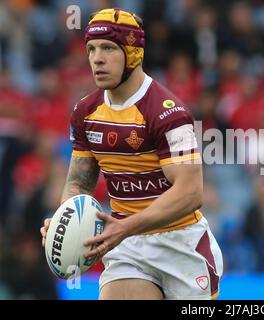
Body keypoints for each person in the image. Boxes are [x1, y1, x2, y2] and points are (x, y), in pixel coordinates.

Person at [40, 8, 223, 300]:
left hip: (182, 247)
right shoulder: (85, 112)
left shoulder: (169, 113)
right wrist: (66, 222)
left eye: (109, 48)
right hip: (128, 248)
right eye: (91, 49)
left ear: (134, 53)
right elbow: (78, 184)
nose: (97, 58)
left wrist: (124, 227)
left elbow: (191, 192)